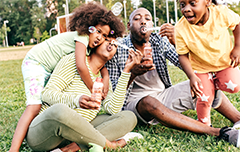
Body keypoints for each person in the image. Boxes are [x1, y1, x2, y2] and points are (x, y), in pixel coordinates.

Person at [105, 7, 240, 147]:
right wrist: (132, 73)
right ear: (129, 25)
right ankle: (218, 132)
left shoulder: (159, 42)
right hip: (134, 104)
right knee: (149, 102)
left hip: (163, 96)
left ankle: (237, 119)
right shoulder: (119, 48)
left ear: (152, 24)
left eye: (147, 19)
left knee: (204, 83)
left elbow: (190, 66)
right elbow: (115, 93)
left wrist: (177, 42)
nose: (143, 22)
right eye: (137, 18)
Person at [9, 2, 125, 152]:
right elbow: (81, 66)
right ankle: (14, 148)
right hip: (36, 63)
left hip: (48, 68)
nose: (100, 38)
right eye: (97, 31)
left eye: (104, 36)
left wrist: (106, 75)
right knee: (35, 106)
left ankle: (72, 142)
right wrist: (92, 89)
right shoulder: (82, 37)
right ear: (88, 26)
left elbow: (97, 65)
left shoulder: (90, 48)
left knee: (46, 104)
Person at [26, 35, 143, 151]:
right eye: (107, 39)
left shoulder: (104, 79)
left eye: (115, 43)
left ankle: (72, 148)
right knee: (60, 110)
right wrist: (76, 100)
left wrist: (127, 70)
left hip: (76, 134)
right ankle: (110, 145)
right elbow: (47, 94)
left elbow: (113, 109)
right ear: (96, 43)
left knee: (129, 117)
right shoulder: (73, 60)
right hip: (47, 134)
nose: (111, 44)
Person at [175, 0, 240, 126]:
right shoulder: (180, 28)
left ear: (207, 2)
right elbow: (182, 55)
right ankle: (205, 126)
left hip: (223, 63)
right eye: (183, 5)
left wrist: (237, 47)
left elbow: (237, 24)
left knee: (235, 85)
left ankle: (212, 85)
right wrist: (192, 76)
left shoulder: (221, 13)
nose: (186, 9)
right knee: (204, 99)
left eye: (192, 3)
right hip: (200, 69)